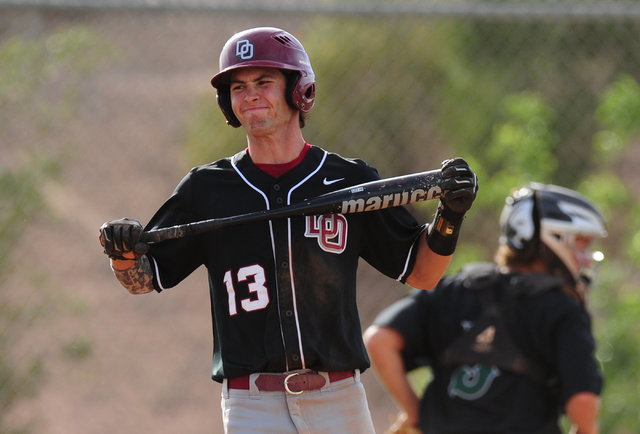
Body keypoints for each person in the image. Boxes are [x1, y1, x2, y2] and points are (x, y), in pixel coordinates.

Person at [98, 27, 478, 434]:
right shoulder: (206, 189)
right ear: (227, 102)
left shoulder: (349, 180)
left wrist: (449, 216)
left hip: (339, 398)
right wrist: (123, 252)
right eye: (238, 86)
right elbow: (143, 280)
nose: (250, 94)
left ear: (300, 89)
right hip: (252, 405)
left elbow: (422, 273)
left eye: (264, 82)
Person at [364, 183, 606, 434]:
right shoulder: (562, 308)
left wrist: (417, 415)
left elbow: (379, 339)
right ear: (554, 238)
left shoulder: (454, 289)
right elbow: (583, 402)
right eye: (581, 244)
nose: (586, 257)